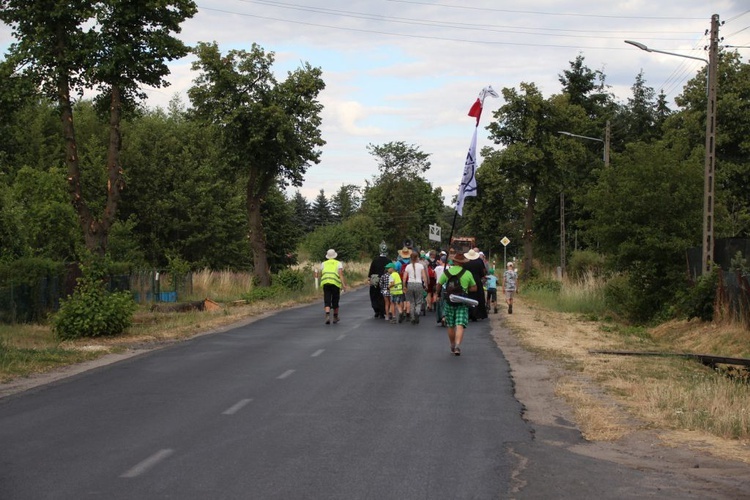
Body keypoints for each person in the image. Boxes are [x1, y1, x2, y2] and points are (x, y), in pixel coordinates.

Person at [436, 251, 477, 355]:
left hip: (449, 300)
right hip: (462, 302)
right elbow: (474, 288)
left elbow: (439, 285)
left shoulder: (447, 272)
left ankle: (452, 344)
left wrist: (438, 294)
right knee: (460, 324)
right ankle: (458, 346)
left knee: (450, 325)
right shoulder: (467, 273)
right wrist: (465, 288)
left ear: (454, 262)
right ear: (463, 263)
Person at [319, 248, 347, 324]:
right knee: (335, 300)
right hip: (335, 283)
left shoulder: (323, 263)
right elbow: (340, 274)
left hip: (326, 282)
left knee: (327, 299)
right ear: (335, 256)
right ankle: (335, 316)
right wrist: (343, 285)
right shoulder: (338, 263)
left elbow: (321, 274)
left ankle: (327, 315)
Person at [403, 250, 428, 324]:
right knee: (419, 301)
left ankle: (412, 317)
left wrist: (404, 286)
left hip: (410, 284)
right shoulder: (420, 266)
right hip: (418, 284)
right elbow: (424, 276)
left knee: (411, 302)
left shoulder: (408, 266)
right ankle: (417, 312)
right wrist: (426, 285)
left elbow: (404, 278)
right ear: (417, 258)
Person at [463, 248, 488, 320]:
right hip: (477, 279)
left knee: (468, 296)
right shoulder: (479, 261)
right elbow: (482, 272)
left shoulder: (465, 262)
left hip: (467, 279)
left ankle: (469, 313)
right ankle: (479, 313)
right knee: (479, 296)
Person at [368, 242, 390, 319]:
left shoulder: (375, 260)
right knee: (383, 295)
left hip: (375, 278)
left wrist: (369, 278)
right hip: (385, 278)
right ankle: (382, 310)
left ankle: (376, 309)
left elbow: (371, 271)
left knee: (374, 294)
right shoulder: (388, 260)